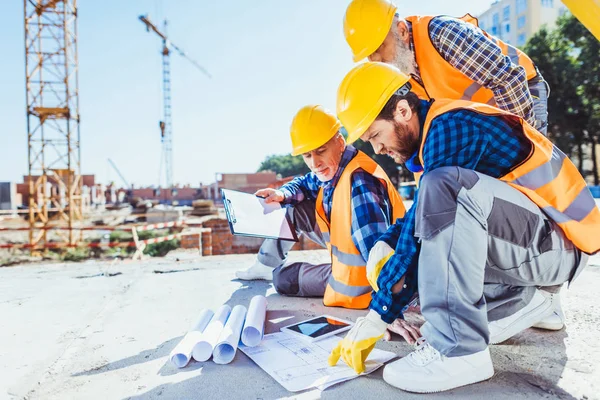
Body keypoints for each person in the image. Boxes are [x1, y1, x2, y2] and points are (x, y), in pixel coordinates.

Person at [328, 62, 598, 393]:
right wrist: (387, 242)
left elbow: (429, 220)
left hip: (558, 249)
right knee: (435, 247)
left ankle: (460, 351)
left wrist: (379, 313)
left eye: (375, 136)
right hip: (542, 246)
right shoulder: (437, 131)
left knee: (443, 195)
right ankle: (525, 301)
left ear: (402, 111)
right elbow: (420, 219)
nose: (378, 150)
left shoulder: (450, 128)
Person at [235, 105, 406, 310]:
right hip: (352, 258)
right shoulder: (336, 167)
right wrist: (281, 194)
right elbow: (305, 182)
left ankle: (274, 271)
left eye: (321, 151)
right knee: (293, 206)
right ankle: (264, 266)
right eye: (307, 155)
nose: (315, 163)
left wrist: (388, 306)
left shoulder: (360, 182)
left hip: (361, 283)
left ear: (340, 142)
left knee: (282, 279)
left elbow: (376, 251)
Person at [343, 0, 550, 135]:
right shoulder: (403, 76)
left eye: (380, 47)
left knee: (533, 169)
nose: (378, 60)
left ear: (402, 31)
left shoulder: (442, 34)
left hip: (522, 89)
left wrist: (523, 142)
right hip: (487, 115)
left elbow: (507, 80)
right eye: (370, 55)